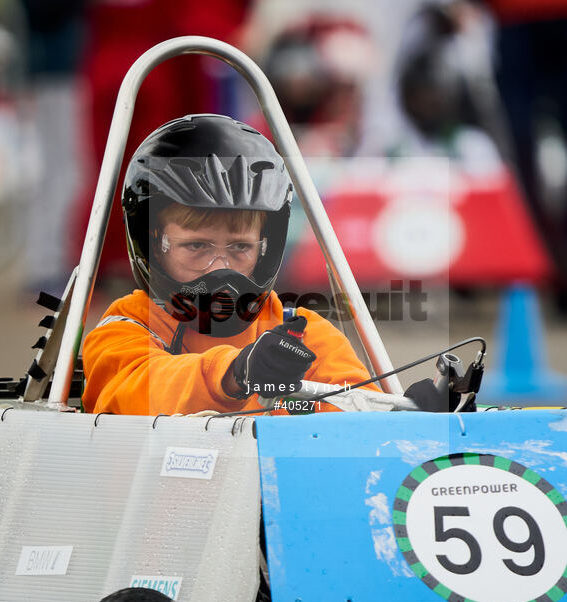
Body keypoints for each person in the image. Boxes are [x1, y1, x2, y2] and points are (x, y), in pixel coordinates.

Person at [81, 113, 378, 416]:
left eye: (240, 247)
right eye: (196, 246)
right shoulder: (125, 328)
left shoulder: (303, 333)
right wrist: (235, 372)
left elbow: (362, 418)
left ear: (266, 248)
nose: (219, 268)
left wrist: (413, 414)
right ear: (154, 246)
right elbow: (137, 392)